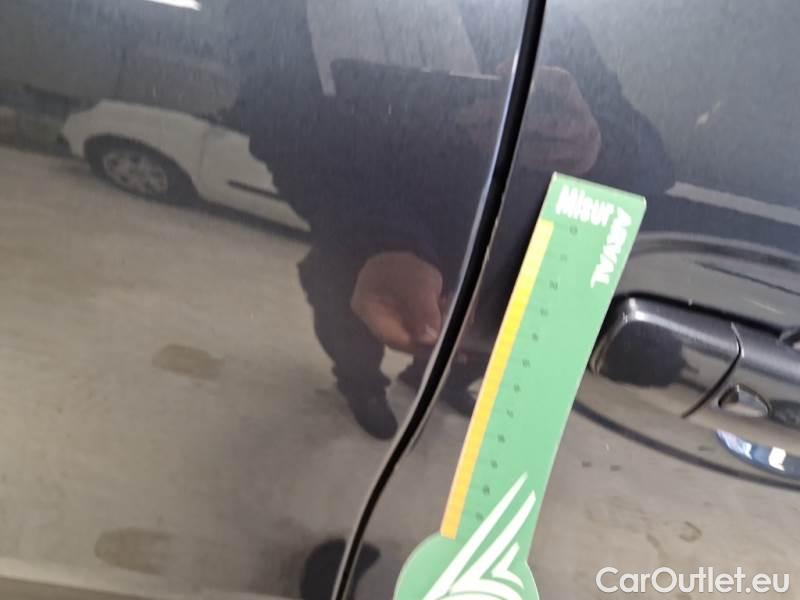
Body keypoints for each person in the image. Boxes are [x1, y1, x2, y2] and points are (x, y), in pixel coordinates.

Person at [227, 0, 674, 440]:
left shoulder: (537, 16)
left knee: (466, 345)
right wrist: (381, 238)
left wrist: (596, 144)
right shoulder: (278, 11)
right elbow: (278, 123)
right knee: (354, 321)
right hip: (365, 241)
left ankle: (437, 381)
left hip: (492, 264)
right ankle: (362, 386)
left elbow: (653, 159)